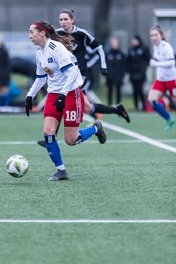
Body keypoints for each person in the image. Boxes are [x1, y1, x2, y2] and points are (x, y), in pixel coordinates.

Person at [25, 20, 107, 181]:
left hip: (70, 93)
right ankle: (61, 170)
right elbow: (40, 78)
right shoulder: (39, 53)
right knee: (48, 132)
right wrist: (30, 96)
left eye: (31, 32)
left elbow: (72, 74)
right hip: (54, 94)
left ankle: (96, 128)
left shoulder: (56, 48)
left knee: (71, 140)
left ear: (42, 33)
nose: (29, 36)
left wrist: (63, 94)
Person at [36, 9, 130, 148]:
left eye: (66, 19)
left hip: (80, 76)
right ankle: (116, 111)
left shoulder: (81, 34)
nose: (63, 22)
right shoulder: (56, 34)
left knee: (68, 102)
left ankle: (53, 136)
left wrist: (103, 66)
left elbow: (98, 48)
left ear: (72, 20)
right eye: (60, 19)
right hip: (65, 77)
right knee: (87, 107)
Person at [148, 25, 176, 132]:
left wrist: (156, 63)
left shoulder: (166, 47)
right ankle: (169, 119)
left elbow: (171, 62)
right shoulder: (155, 47)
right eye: (151, 35)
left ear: (161, 36)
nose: (153, 37)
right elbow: (158, 60)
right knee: (151, 101)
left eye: (155, 35)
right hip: (161, 81)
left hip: (173, 80)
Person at [127, 35, 150, 111]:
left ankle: (143, 106)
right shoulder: (131, 50)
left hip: (141, 74)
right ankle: (136, 106)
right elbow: (128, 61)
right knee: (134, 91)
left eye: (135, 40)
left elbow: (147, 60)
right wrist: (129, 70)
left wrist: (143, 69)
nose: (133, 42)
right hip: (133, 74)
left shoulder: (144, 49)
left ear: (138, 41)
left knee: (140, 90)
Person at [105, 37, 127, 105]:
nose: (114, 44)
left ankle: (118, 105)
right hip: (109, 76)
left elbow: (124, 66)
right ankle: (109, 105)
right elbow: (104, 64)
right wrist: (106, 74)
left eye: (115, 43)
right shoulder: (107, 54)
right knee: (109, 91)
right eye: (113, 43)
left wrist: (122, 75)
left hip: (118, 77)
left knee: (118, 91)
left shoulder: (121, 54)